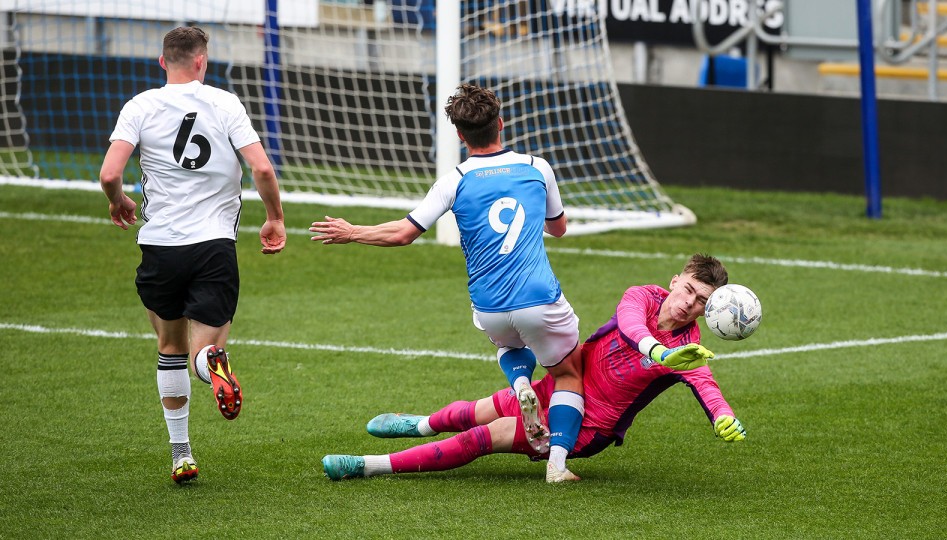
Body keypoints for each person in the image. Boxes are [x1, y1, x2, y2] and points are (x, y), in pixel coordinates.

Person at [310, 83, 591, 482]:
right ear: (501, 123)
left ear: (460, 136)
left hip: (490, 308)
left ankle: (522, 382)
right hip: (539, 298)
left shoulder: (454, 180)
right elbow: (558, 228)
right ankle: (558, 465)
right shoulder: (536, 166)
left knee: (510, 343)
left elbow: (403, 233)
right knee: (567, 374)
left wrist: (352, 231)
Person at [320, 254, 739, 481]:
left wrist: (723, 416)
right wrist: (658, 352)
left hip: (589, 425)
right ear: (673, 281)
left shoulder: (690, 348)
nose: (688, 303)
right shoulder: (643, 296)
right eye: (687, 289)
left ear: (709, 309)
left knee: (486, 435)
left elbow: (706, 384)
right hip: (559, 385)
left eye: (701, 300)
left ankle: (370, 465)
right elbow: (630, 326)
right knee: (476, 409)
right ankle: (422, 424)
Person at [99, 26, 286, 485]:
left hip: (160, 245)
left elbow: (109, 173)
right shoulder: (225, 103)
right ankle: (211, 366)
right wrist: (275, 217)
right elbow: (260, 166)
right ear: (202, 61)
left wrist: (118, 200)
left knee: (168, 348)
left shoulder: (139, 106)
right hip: (213, 245)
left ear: (163, 62)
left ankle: (181, 454)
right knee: (205, 349)